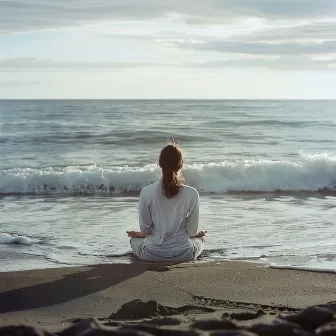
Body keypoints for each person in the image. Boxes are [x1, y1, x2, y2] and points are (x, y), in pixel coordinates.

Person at [127, 142, 206, 262]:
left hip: (151, 254)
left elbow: (145, 230)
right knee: (200, 239)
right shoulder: (192, 193)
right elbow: (192, 231)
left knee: (133, 239)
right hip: (184, 254)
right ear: (181, 165)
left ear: (159, 164)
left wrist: (138, 235)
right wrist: (196, 235)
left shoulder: (146, 192)